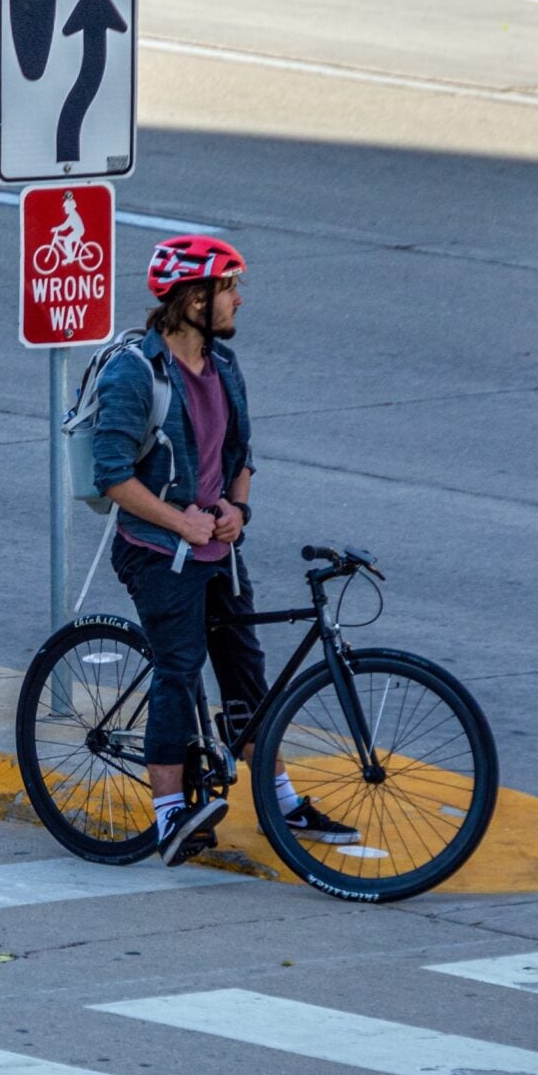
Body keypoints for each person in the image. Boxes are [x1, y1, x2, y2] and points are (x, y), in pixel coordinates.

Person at [93, 234, 357, 865]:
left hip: (218, 551)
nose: (239, 299)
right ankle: (167, 815)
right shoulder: (138, 372)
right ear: (193, 297)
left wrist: (236, 509)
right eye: (229, 288)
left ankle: (279, 797)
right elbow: (112, 474)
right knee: (179, 670)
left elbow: (239, 458)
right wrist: (180, 522)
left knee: (246, 673)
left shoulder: (224, 367)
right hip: (156, 550)